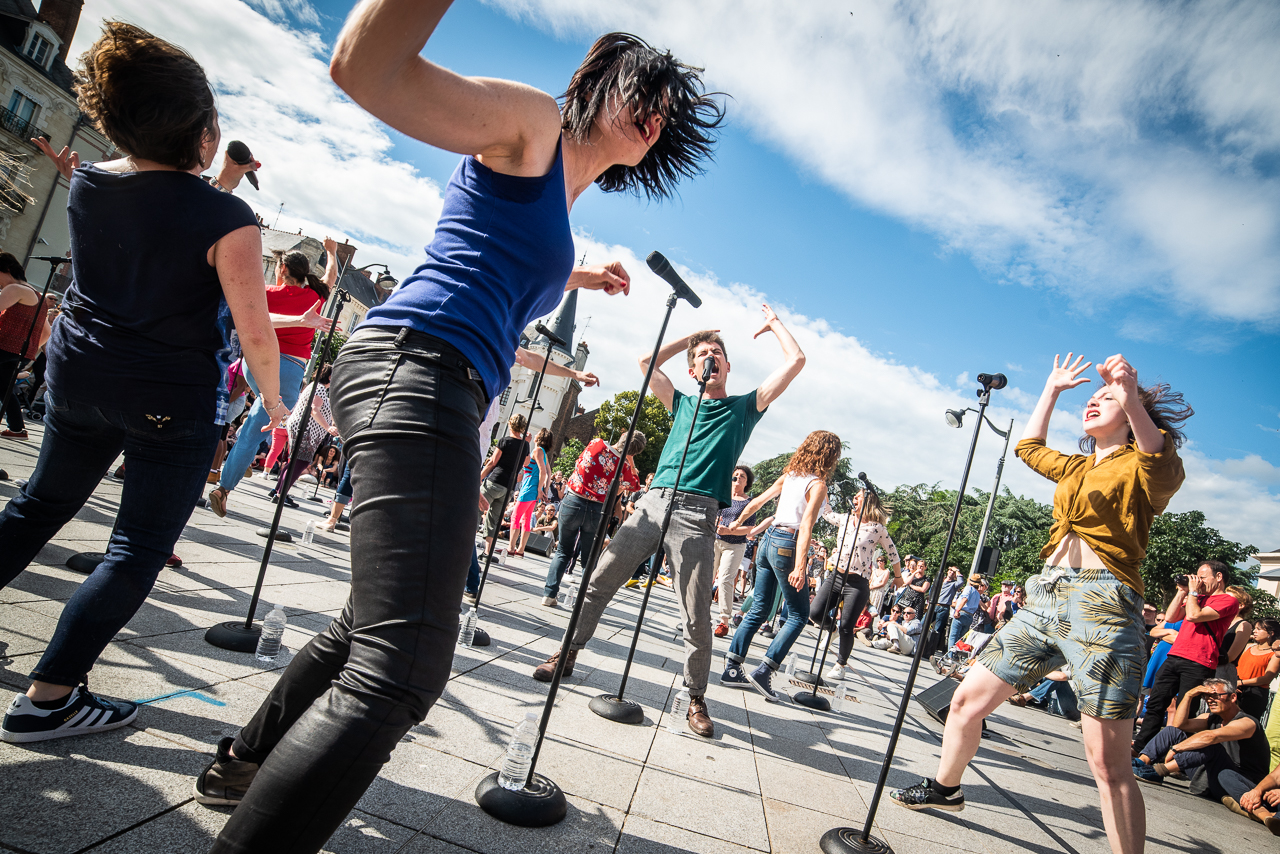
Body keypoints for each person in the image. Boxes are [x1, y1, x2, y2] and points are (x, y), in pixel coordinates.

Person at [197, 9, 722, 850]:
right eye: (644, 97)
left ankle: (242, 765)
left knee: (365, 627)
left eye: (663, 117)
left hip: (433, 373)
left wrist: (577, 278)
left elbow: (500, 276)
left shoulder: (563, 190)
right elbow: (366, 70)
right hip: (417, 364)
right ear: (600, 87)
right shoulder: (534, 124)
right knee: (404, 669)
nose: (653, 120)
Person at [0, 23, 285, 742]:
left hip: (78, 370)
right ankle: (48, 699)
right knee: (136, 548)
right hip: (166, 393)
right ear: (199, 134)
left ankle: (52, 691)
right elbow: (255, 332)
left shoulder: (92, 181)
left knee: (37, 506)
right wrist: (277, 403)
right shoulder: (230, 218)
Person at [891, 351, 1190, 854]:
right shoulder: (1074, 467)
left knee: (1106, 762)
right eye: (1092, 398)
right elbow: (1029, 447)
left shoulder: (1145, 467)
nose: (1093, 401)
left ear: (1134, 412)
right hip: (1045, 595)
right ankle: (947, 789)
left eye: (1106, 397)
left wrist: (1130, 391)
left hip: (1104, 604)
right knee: (963, 703)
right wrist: (1050, 391)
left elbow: (1162, 460)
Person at [532, 311, 805, 736]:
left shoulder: (743, 408)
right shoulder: (681, 402)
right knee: (599, 579)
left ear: (728, 367)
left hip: (698, 513)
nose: (710, 358)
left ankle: (696, 696)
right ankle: (566, 653)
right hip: (653, 502)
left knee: (696, 612)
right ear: (693, 368)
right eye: (702, 355)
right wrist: (691, 338)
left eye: (718, 354)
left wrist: (775, 327)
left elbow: (796, 362)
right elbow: (646, 363)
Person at [206, 240, 338, 517]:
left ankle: (235, 469)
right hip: (288, 371)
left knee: (257, 417)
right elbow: (330, 277)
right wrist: (332, 253)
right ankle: (224, 486)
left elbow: (251, 317)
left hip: (254, 364)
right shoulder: (315, 296)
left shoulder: (265, 292)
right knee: (257, 427)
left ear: (282, 268)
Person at [717, 432, 841, 701]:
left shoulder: (791, 476)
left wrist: (739, 523)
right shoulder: (817, 484)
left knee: (760, 607)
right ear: (830, 456)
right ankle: (764, 671)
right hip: (789, 542)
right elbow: (806, 526)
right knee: (798, 614)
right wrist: (800, 566)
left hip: (769, 538)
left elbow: (757, 502)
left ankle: (732, 668)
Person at [1133, 560, 1241, 751]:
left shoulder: (1228, 600)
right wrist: (1182, 591)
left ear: (1219, 577)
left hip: (1200, 661)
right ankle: (1142, 747)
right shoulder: (1195, 596)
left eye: (1202, 577)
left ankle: (1173, 753)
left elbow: (1194, 616)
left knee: (1185, 710)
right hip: (1175, 655)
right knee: (1156, 703)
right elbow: (1171, 618)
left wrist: (1192, 593)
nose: (1198, 581)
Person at [808, 488, 903, 680]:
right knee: (814, 612)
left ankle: (840, 665)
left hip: (857, 582)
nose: (854, 499)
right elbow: (826, 513)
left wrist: (898, 576)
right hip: (836, 576)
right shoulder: (844, 519)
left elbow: (892, 553)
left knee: (847, 625)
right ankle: (830, 629)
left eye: (858, 497)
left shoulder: (877, 528)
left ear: (868, 502)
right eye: (855, 497)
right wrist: (824, 493)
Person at [539, 433, 644, 607]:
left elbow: (579, 462)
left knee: (563, 550)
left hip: (574, 500)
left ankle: (549, 594)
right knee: (589, 558)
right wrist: (630, 462)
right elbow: (635, 486)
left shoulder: (597, 444)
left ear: (622, 437)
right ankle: (583, 601)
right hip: (597, 509)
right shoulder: (624, 465)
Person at [1132, 679, 1271, 803]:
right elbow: (1179, 725)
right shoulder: (1213, 718)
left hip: (1236, 781)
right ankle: (1142, 763)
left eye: (1215, 696)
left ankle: (1158, 772)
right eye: (1207, 697)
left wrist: (1177, 748)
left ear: (1233, 697)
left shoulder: (1247, 723)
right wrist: (1188, 695)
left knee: (1210, 743)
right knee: (1172, 731)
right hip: (1210, 773)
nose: (1210, 700)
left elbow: (1210, 737)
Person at [0, 252, 51, 440]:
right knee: (4, 388)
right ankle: (17, 428)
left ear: (5, 269)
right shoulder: (38, 296)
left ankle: (16, 428)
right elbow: (47, 332)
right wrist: (31, 349)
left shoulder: (13, 288)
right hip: (21, 352)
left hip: (3, 344)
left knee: (4, 387)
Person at [713, 464, 755, 637]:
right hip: (715, 541)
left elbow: (749, 528)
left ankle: (724, 620)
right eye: (735, 475)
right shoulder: (721, 495)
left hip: (735, 545)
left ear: (747, 482)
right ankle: (696, 614)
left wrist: (729, 530)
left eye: (742, 476)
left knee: (724, 580)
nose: (737, 478)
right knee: (705, 575)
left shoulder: (748, 502)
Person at [508, 427, 551, 557]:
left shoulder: (537, 450)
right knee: (525, 520)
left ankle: (511, 548)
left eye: (537, 434)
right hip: (533, 491)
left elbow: (543, 471)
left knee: (515, 517)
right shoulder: (543, 452)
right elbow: (549, 472)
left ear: (539, 438)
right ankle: (520, 550)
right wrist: (545, 490)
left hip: (529, 489)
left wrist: (540, 489)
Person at [1234, 618, 1279, 719]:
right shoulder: (1249, 647)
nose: (1254, 631)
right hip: (1236, 687)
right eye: (1254, 628)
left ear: (1271, 633)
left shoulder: (1274, 654)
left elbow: (1266, 678)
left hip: (1255, 693)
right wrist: (1235, 681)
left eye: (1259, 629)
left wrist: (1241, 682)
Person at [1229, 765, 1280, 835]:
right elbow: (1275, 777)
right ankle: (1267, 816)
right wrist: (1256, 791)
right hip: (1272, 798)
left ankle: (1264, 816)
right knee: (1227, 775)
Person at [948, 573, 984, 649]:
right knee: (961, 638)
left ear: (970, 582)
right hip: (970, 616)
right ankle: (957, 655)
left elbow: (965, 599)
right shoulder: (978, 594)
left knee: (953, 636)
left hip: (962, 613)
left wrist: (957, 610)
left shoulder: (968, 588)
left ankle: (950, 656)